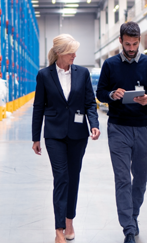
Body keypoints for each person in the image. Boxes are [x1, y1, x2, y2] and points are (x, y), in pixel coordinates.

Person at [96, 22, 147, 243]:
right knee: (123, 179)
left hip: (143, 127)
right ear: (120, 41)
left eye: (135, 43)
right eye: (128, 44)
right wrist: (112, 94)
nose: (132, 48)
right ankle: (128, 228)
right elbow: (100, 93)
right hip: (118, 128)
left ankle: (133, 216)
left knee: (142, 177)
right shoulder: (110, 65)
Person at [32, 34, 101, 243]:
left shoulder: (83, 73)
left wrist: (94, 124)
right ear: (60, 53)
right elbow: (38, 107)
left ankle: (70, 219)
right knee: (61, 177)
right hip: (54, 134)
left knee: (73, 178)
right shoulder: (44, 75)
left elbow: (90, 102)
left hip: (78, 135)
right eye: (71, 52)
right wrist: (36, 137)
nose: (75, 55)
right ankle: (59, 229)